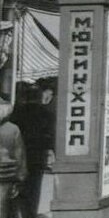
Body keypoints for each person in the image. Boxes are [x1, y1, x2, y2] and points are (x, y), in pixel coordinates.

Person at [9, 87, 53, 218]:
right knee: (34, 187)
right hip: (37, 156)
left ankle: (16, 212)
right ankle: (30, 213)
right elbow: (49, 136)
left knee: (18, 185)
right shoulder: (46, 113)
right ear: (39, 98)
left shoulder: (17, 112)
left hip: (18, 154)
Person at [0, 101, 27, 217]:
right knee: (2, 208)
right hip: (6, 176)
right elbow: (19, 154)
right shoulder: (13, 129)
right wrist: (20, 178)